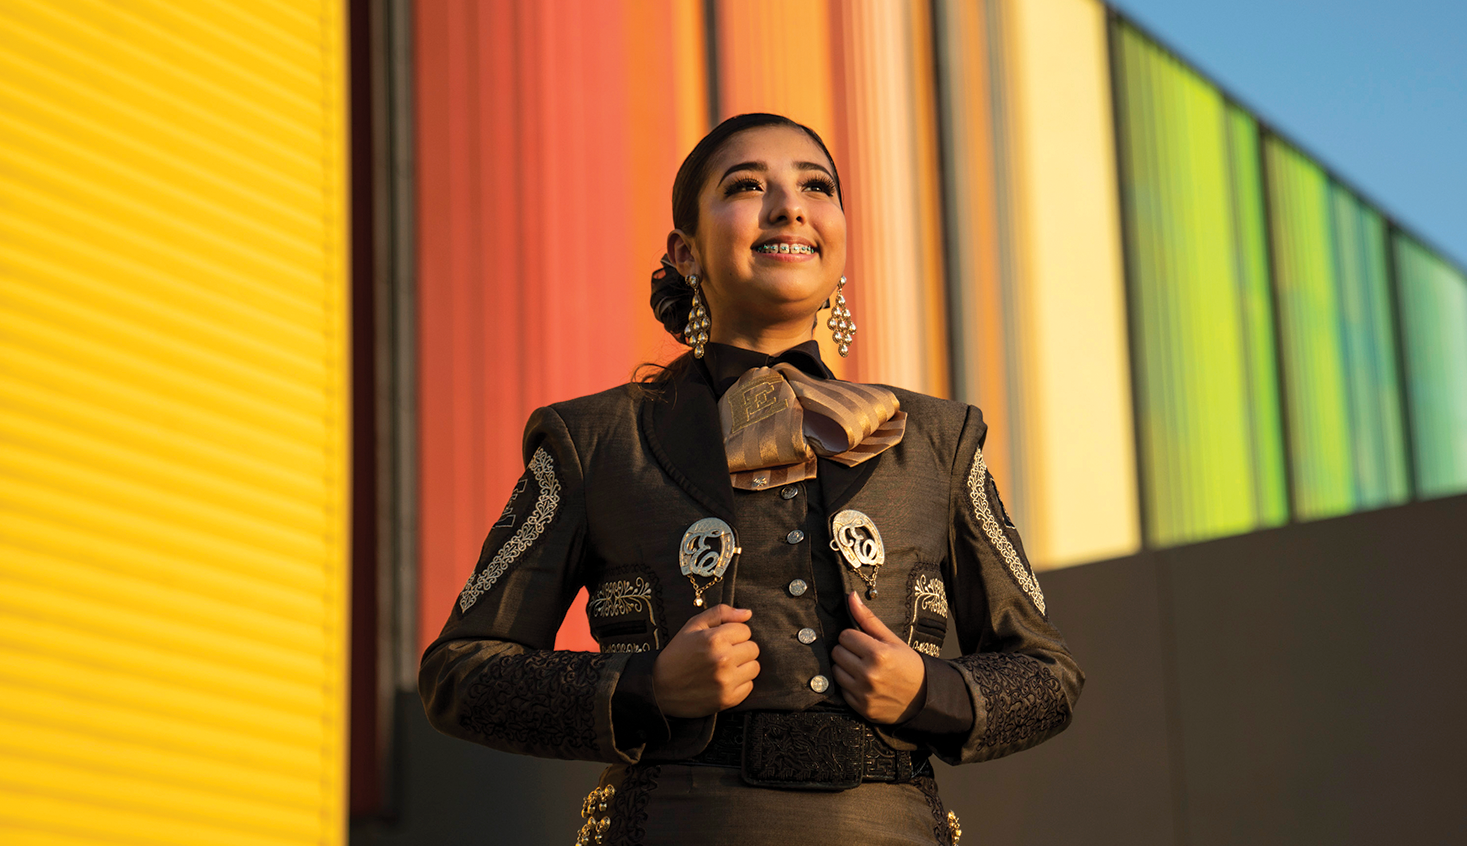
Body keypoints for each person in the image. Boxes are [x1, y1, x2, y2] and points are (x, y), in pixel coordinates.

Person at [420, 113, 1082, 846]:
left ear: (838, 238)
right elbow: (462, 673)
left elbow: (1047, 674)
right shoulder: (594, 438)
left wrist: (931, 691)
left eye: (815, 185)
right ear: (685, 252)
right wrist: (647, 685)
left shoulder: (940, 438)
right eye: (745, 185)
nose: (788, 204)